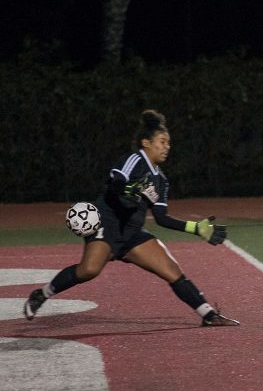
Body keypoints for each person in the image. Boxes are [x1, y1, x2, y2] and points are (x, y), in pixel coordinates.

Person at [23, 110, 239, 327]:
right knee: (88, 270)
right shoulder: (135, 159)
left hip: (132, 233)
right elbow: (114, 182)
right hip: (107, 223)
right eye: (162, 142)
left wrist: (197, 228)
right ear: (146, 142)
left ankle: (208, 315)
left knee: (172, 271)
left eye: (169, 143)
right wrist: (130, 187)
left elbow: (162, 218)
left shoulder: (161, 180)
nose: (167, 147)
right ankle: (41, 294)